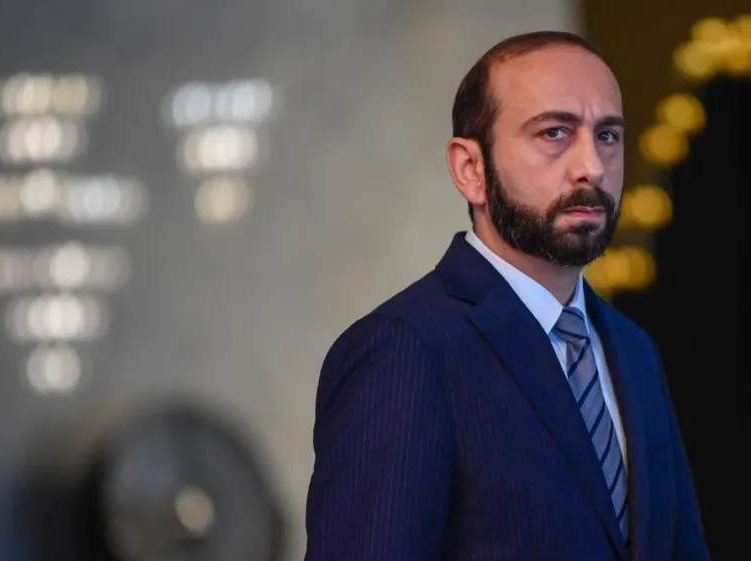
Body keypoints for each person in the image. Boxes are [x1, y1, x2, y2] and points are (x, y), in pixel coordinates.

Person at [304, 31, 710, 561]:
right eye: (554, 132)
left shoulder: (634, 349)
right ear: (470, 169)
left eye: (607, 135)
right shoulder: (404, 350)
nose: (591, 165)